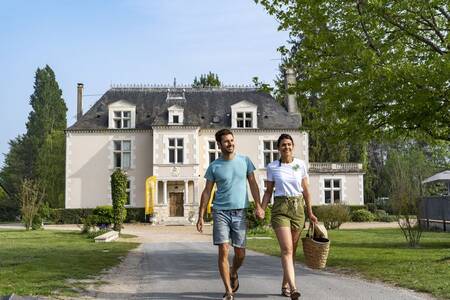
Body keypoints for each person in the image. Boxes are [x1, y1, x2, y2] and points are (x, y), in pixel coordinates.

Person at [197, 128, 264, 300]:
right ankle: (228, 291)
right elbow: (206, 192)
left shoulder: (245, 161)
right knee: (224, 250)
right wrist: (201, 215)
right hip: (220, 212)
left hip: (240, 211)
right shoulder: (214, 166)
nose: (230, 143)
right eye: (226, 141)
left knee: (240, 253)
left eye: (232, 140)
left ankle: (233, 271)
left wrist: (258, 205)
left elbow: (254, 185)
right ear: (219, 144)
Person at [260, 133, 318, 300]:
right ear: (278, 148)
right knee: (286, 249)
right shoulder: (272, 167)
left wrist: (310, 212)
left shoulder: (300, 165)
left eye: (289, 144)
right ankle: (293, 288)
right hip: (281, 208)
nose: (286, 147)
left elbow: (306, 190)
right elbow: (268, 191)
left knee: (292, 250)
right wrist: (262, 208)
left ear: (293, 146)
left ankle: (285, 284)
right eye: (283, 145)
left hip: (298, 208)